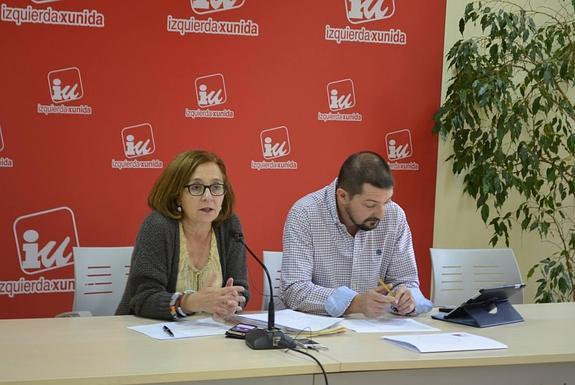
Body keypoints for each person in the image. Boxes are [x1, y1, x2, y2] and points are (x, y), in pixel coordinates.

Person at [281, 151, 432, 318]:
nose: (381, 214)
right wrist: (354, 303)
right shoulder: (305, 214)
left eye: (387, 201)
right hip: (319, 331)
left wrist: (407, 299)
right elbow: (294, 290)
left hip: (375, 331)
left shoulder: (394, 215)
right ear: (343, 196)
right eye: (370, 204)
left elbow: (406, 281)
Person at [116, 150, 248, 321]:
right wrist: (190, 302)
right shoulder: (158, 226)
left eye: (216, 187)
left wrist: (232, 302)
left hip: (210, 334)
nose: (208, 197)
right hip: (150, 335)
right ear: (177, 195)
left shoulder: (229, 225)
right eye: (196, 187)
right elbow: (143, 299)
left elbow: (240, 288)